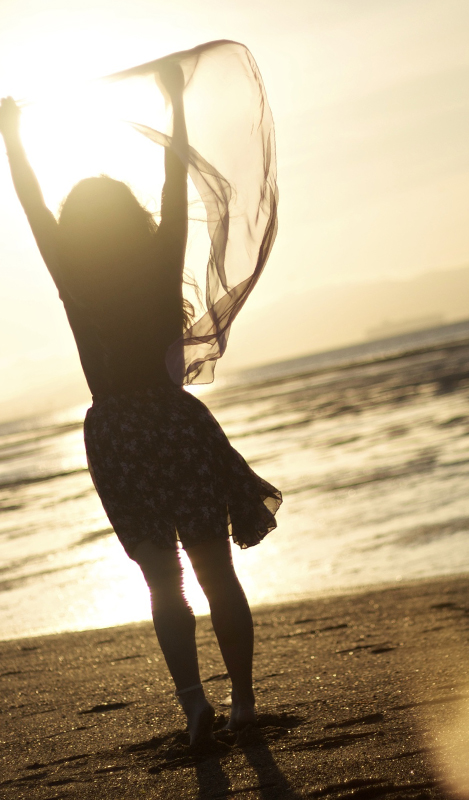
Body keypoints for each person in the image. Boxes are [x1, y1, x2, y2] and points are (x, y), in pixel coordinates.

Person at [0, 63, 281, 749]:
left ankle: (194, 707)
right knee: (216, 570)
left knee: (163, 579)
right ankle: (243, 700)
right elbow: (174, 183)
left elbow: (32, 203)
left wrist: (12, 137)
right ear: (132, 218)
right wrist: (176, 106)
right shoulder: (158, 261)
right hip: (175, 422)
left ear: (77, 229)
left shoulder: (73, 274)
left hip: (118, 431)